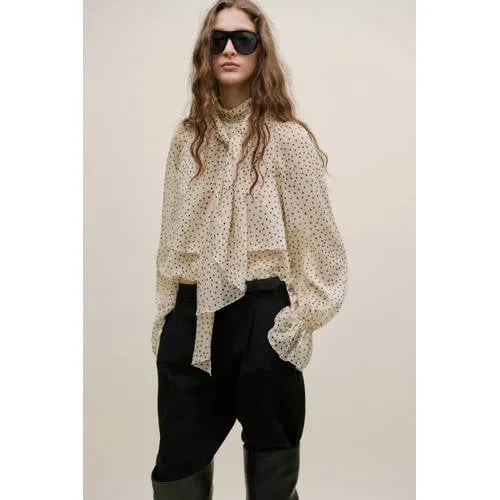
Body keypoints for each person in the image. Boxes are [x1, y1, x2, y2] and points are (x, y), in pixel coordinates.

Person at [150, 1, 348, 498]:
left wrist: (297, 320)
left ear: (261, 52)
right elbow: (170, 235)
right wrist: (166, 315)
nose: (230, 50)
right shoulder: (186, 139)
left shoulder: (287, 139)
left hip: (262, 314)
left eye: (243, 40)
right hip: (192, 312)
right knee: (176, 463)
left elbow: (320, 244)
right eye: (218, 40)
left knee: (271, 461)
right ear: (205, 51)